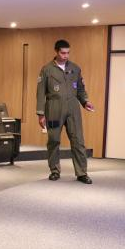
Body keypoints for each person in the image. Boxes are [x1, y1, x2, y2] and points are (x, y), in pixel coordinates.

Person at [36, 39, 94, 184]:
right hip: (54, 108)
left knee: (78, 140)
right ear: (56, 52)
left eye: (68, 53)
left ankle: (82, 173)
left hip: (73, 108)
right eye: (63, 53)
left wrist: (85, 101)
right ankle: (55, 171)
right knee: (54, 140)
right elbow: (40, 93)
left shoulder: (75, 68)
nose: (66, 56)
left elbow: (80, 89)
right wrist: (40, 114)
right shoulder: (46, 70)